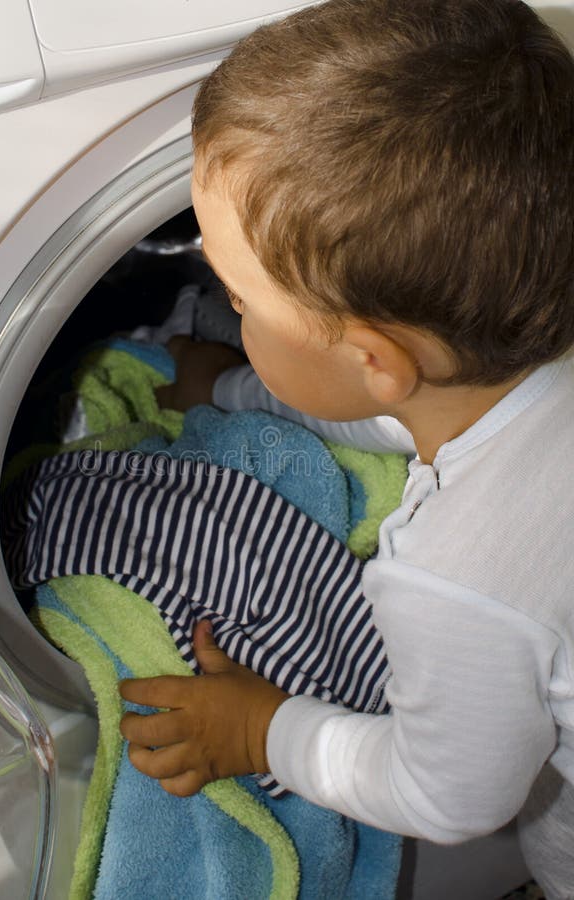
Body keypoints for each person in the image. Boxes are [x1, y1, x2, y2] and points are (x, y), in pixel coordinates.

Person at [119, 1, 574, 895]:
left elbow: (446, 795)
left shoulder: (458, 575)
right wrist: (226, 385)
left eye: (240, 300)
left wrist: (263, 732)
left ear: (374, 358)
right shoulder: (509, 361)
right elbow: (388, 410)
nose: (230, 308)